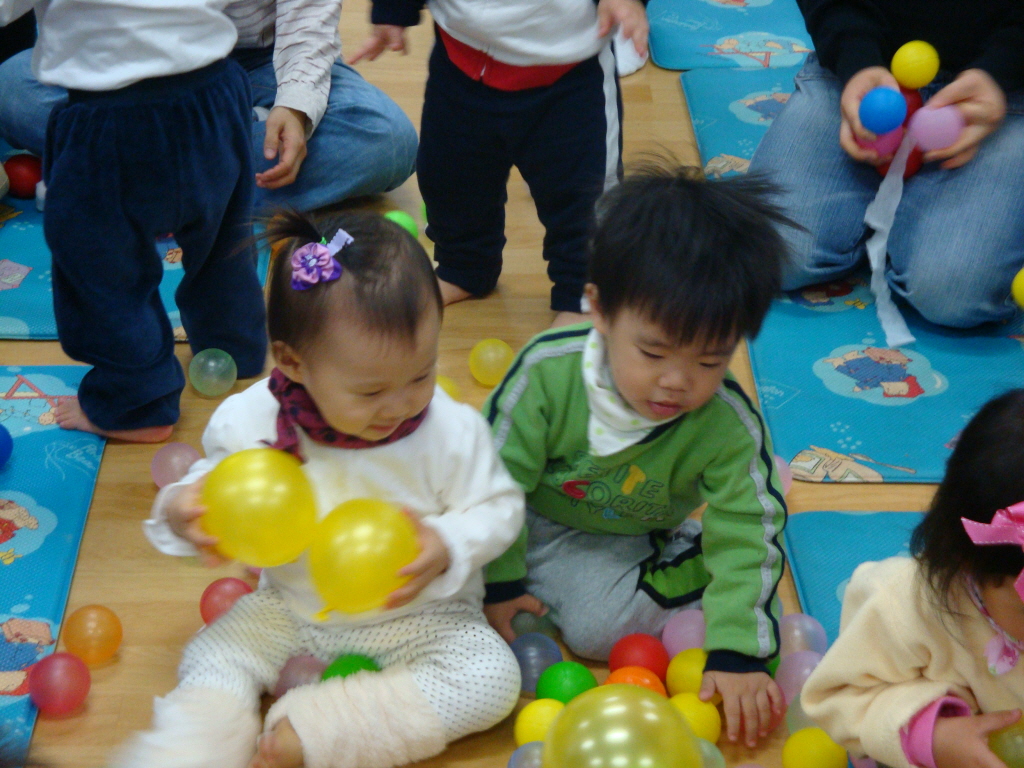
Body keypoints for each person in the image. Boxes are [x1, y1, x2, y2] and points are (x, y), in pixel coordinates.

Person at [116, 211, 524, 768]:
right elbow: (205, 490)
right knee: (212, 653)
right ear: (293, 362)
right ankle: (195, 748)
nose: (401, 405)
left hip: (421, 618)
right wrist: (180, 513)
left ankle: (317, 728)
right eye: (371, 391)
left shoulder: (450, 429)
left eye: (421, 374)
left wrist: (449, 542)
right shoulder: (250, 421)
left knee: (492, 678)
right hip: (292, 612)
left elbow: (500, 507)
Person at [481, 164, 793, 747]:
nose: (676, 382)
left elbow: (748, 529)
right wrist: (497, 582)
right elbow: (492, 480)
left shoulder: (726, 422)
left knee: (597, 630)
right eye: (652, 353)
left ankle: (695, 553)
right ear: (599, 310)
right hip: (529, 516)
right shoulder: (547, 372)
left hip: (629, 532)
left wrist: (739, 651)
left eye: (710, 361)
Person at [0, 0, 268, 443]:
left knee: (100, 269)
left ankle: (138, 403)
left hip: (111, 116)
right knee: (224, 239)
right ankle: (234, 346)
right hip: (216, 94)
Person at [352, 0, 648, 326]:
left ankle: (582, 293)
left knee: (582, 199)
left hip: (567, 75)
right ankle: (463, 266)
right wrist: (393, 10)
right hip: (460, 60)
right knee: (450, 177)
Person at [749, 1, 1024, 329]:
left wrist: (1002, 67)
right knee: (768, 254)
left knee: (949, 294)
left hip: (1007, 85)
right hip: (865, 58)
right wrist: (855, 58)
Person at [0, 0, 418, 212]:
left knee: (388, 140)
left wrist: (295, 104)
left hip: (263, 59)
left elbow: (308, 14)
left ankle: (117, 172)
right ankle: (202, 179)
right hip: (128, 62)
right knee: (13, 87)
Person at [802, 389, 1024, 768]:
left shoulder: (1002, 582)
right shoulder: (906, 607)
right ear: (967, 560)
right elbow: (838, 697)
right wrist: (932, 736)